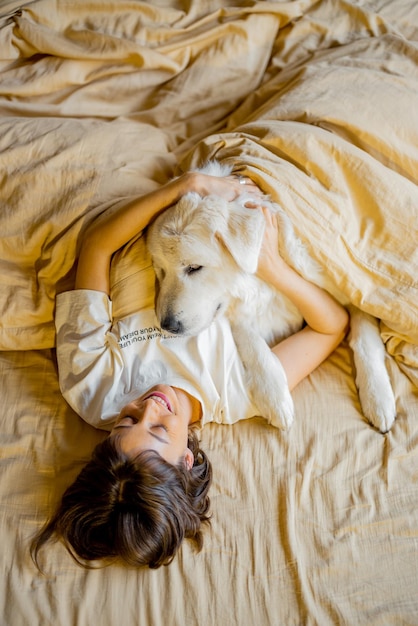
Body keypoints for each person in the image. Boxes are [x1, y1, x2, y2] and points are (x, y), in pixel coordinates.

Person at [30, 171, 349, 570]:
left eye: (126, 421)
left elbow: (96, 247)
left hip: (176, 192)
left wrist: (187, 186)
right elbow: (331, 325)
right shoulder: (234, 393)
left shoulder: (90, 385)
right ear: (186, 459)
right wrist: (269, 266)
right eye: (160, 429)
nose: (149, 406)